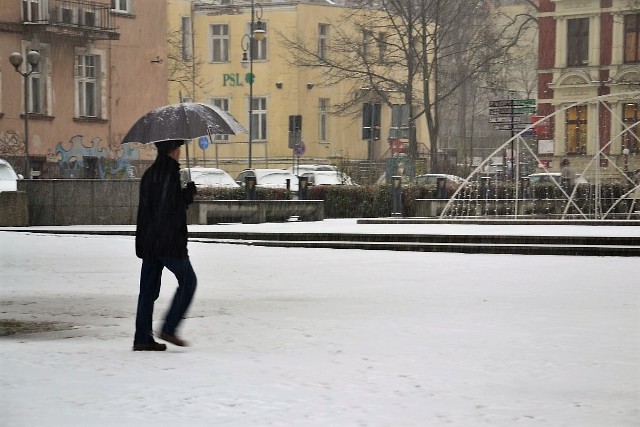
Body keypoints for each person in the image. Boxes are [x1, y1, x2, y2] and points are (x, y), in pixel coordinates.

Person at [133, 139, 198, 351]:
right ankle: (169, 327)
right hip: (168, 242)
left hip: (150, 242)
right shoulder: (171, 175)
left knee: (147, 292)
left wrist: (183, 197)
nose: (180, 152)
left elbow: (153, 208)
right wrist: (187, 195)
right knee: (188, 282)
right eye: (178, 148)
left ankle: (142, 338)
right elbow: (170, 209)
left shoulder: (150, 174)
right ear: (174, 150)